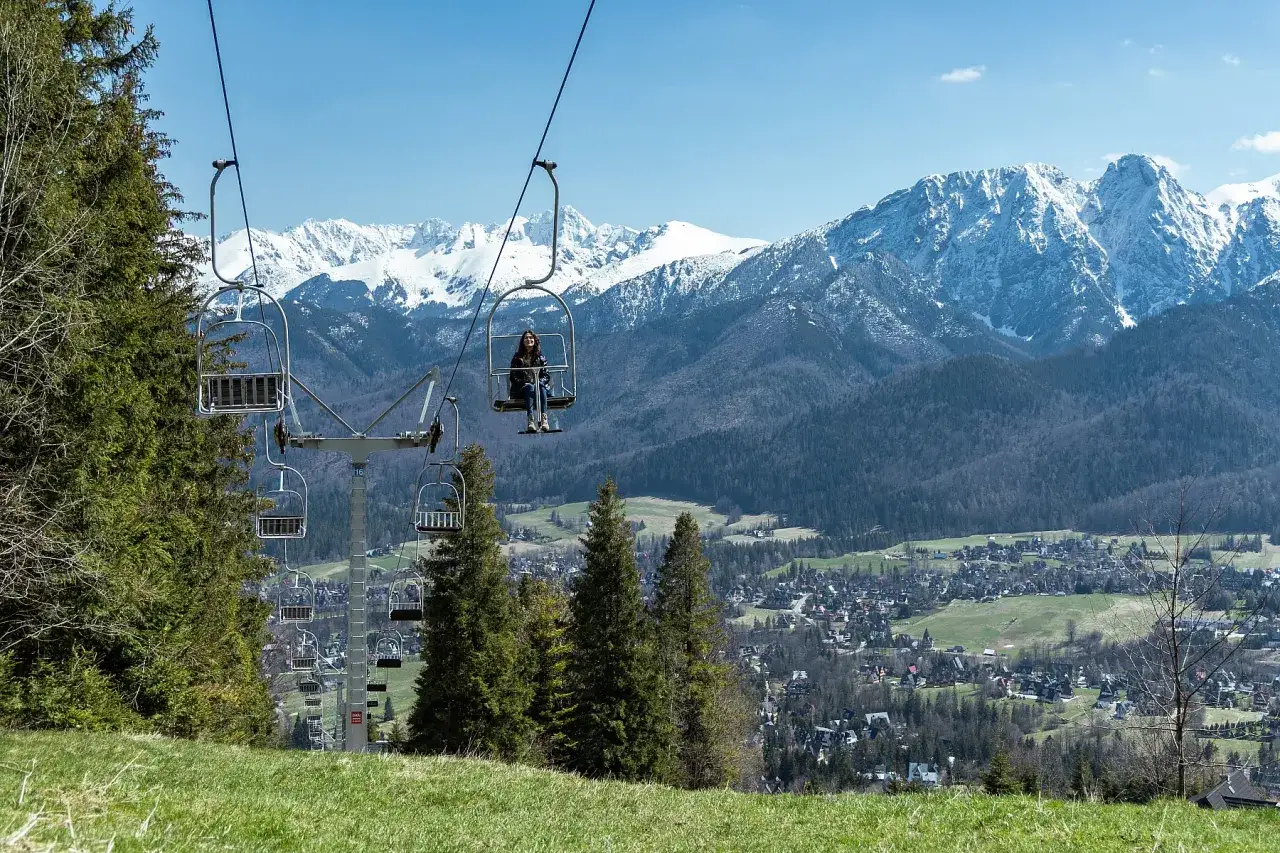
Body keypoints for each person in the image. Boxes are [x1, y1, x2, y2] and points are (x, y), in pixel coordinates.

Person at [510, 329, 551, 432]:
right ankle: (531, 420)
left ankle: (544, 419)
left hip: (538, 388)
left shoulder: (540, 357)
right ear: (523, 341)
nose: (529, 340)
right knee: (529, 387)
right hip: (522, 389)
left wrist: (540, 382)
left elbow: (546, 375)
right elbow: (513, 376)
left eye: (531, 337)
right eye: (526, 338)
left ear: (534, 340)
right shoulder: (517, 358)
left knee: (540, 385)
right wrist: (524, 383)